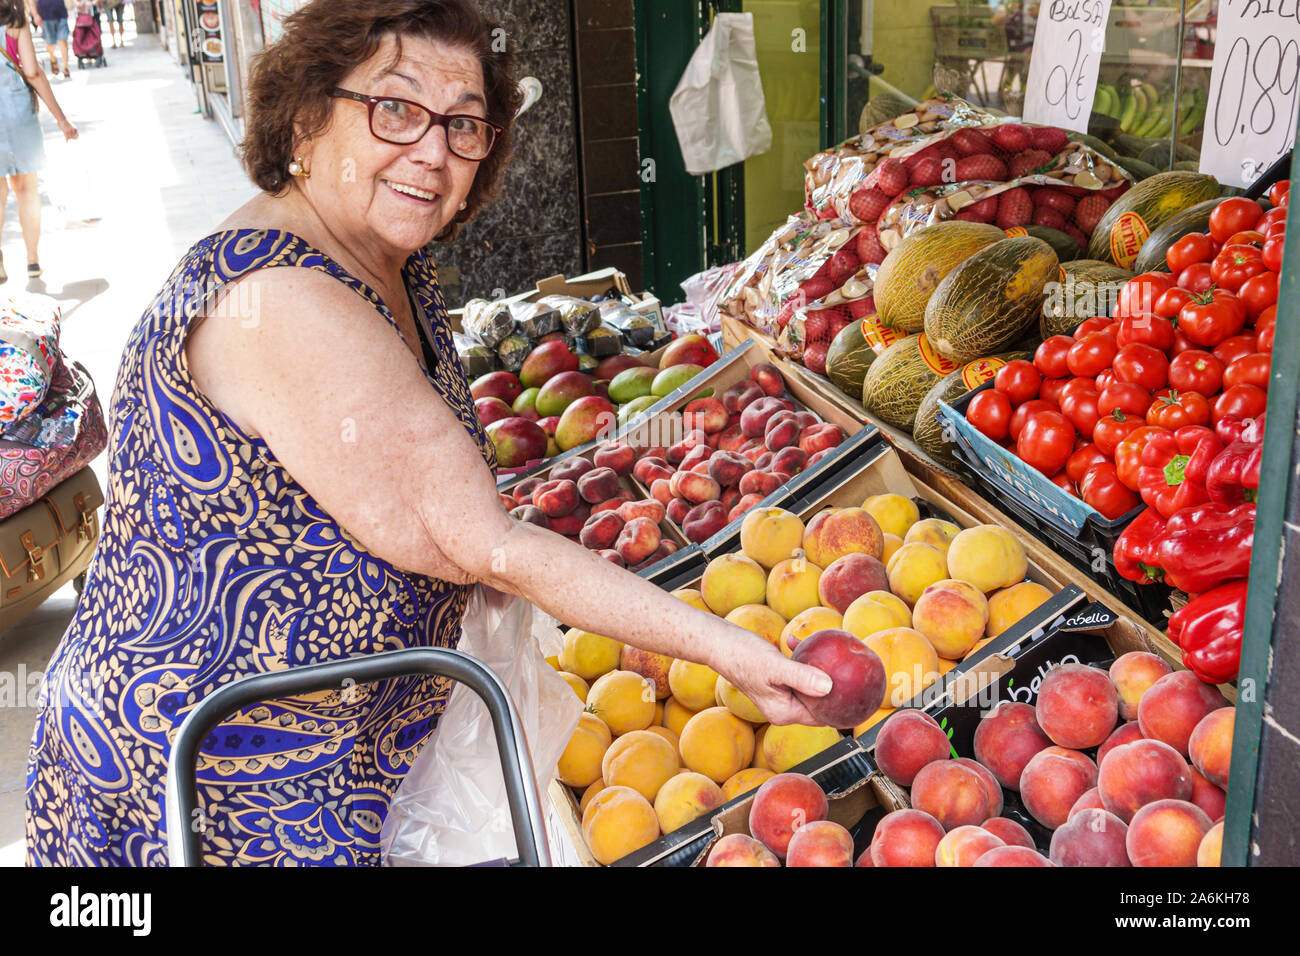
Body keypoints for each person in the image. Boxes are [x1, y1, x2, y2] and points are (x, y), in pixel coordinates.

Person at [24, 0, 830, 867]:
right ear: (306, 115)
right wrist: (731, 652)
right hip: (217, 774)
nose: (434, 151)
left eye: (464, 124)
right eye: (396, 109)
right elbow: (485, 546)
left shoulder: (379, 258)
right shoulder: (282, 300)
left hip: (327, 740)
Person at [1, 0, 76, 282]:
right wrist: (61, 119)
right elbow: (32, 72)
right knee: (26, 189)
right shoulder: (14, 20)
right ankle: (32, 260)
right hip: (18, 114)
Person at [26, 0, 69, 78]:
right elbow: (31, 1)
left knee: (63, 40)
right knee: (50, 44)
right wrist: (35, 15)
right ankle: (53, 59)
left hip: (61, 13)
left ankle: (65, 67)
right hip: (45, 16)